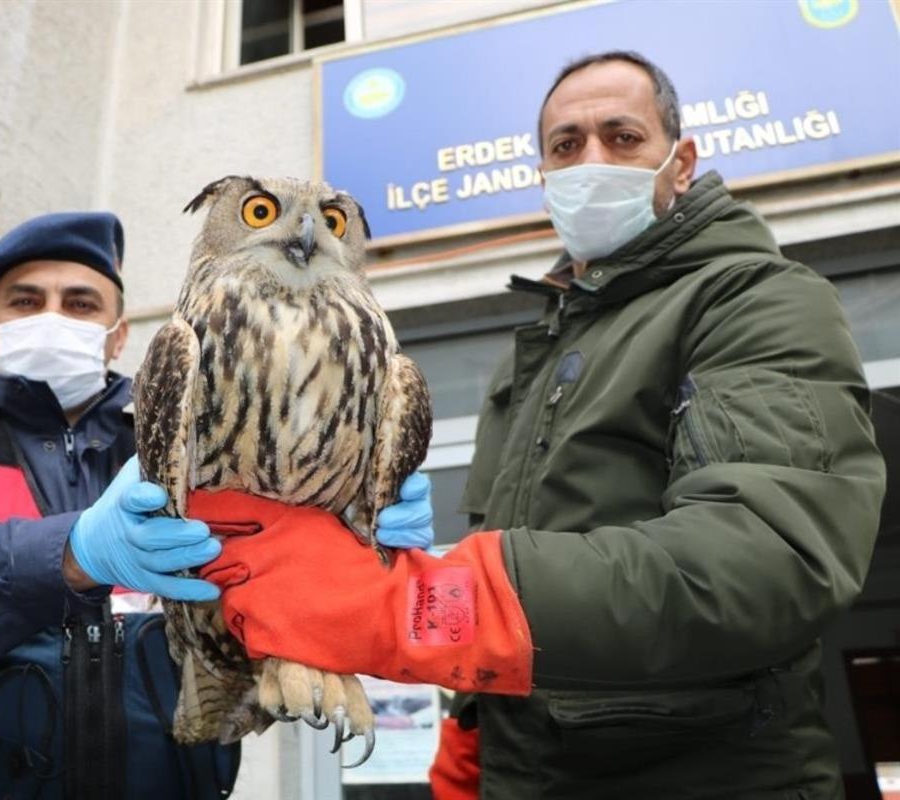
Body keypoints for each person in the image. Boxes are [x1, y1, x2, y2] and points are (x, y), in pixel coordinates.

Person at [194, 51, 886, 798]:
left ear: (681, 164)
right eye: (566, 145)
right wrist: (473, 730)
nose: (592, 160)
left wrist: (422, 608)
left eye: (623, 138)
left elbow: (765, 562)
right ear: (544, 176)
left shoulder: (756, 301)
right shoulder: (539, 351)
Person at [0, 211, 436, 799]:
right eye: (26, 302)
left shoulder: (199, 431)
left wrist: (348, 535)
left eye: (80, 304)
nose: (52, 317)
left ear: (118, 335)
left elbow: (258, 593)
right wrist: (69, 553)